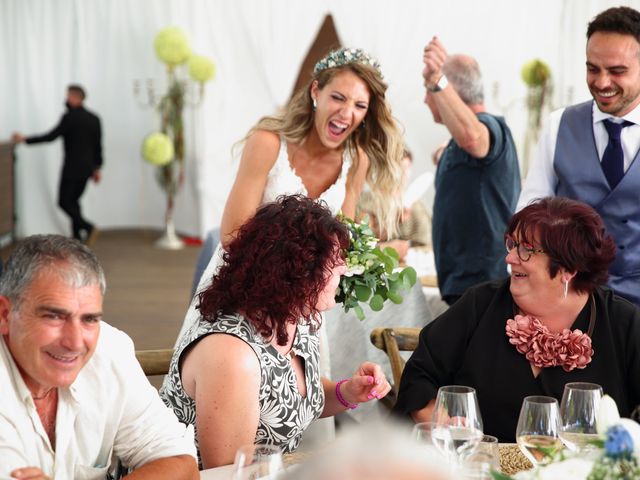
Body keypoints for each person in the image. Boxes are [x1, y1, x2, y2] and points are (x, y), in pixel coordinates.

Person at [178, 46, 404, 339]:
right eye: (337, 97)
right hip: (242, 287)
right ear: (315, 92)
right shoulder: (268, 142)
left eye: (360, 106)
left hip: (303, 305)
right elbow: (233, 235)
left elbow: (341, 244)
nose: (346, 113)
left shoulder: (356, 161)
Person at [160, 195, 391, 468]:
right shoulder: (233, 355)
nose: (344, 267)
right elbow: (227, 473)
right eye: (333, 261)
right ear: (296, 272)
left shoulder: (296, 319)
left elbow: (292, 400)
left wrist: (347, 393)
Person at [393, 197, 640, 442]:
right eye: (512, 244)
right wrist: (443, 422)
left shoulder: (623, 324)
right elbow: (419, 377)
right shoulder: (480, 305)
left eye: (526, 250)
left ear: (568, 269)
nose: (510, 258)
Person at [0, 235, 198, 479]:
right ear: (5, 314)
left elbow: (181, 463)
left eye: (89, 319)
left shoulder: (109, 349)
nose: (74, 342)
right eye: (54, 316)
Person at [517, 6, 640, 306]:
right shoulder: (559, 125)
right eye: (592, 68)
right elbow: (529, 214)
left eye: (617, 71)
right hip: (571, 302)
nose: (601, 82)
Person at [423, 37, 521, 306]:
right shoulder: (461, 141)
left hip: (483, 286)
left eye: (428, 90)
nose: (425, 99)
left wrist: (437, 81)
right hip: (466, 286)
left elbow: (474, 139)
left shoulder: (489, 127)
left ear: (450, 90)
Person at [12, 85, 102, 245]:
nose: (66, 99)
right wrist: (97, 168)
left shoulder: (69, 117)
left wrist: (25, 139)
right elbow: (98, 146)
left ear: (76, 98)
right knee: (74, 201)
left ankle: (88, 227)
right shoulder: (94, 119)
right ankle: (77, 238)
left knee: (64, 202)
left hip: (72, 168)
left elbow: (51, 136)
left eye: (68, 96)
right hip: (87, 169)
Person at [357, 148, 431, 261]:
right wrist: (393, 220)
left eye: (408, 168)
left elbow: (426, 243)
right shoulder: (367, 201)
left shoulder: (416, 205)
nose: (404, 174)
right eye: (400, 168)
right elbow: (363, 242)